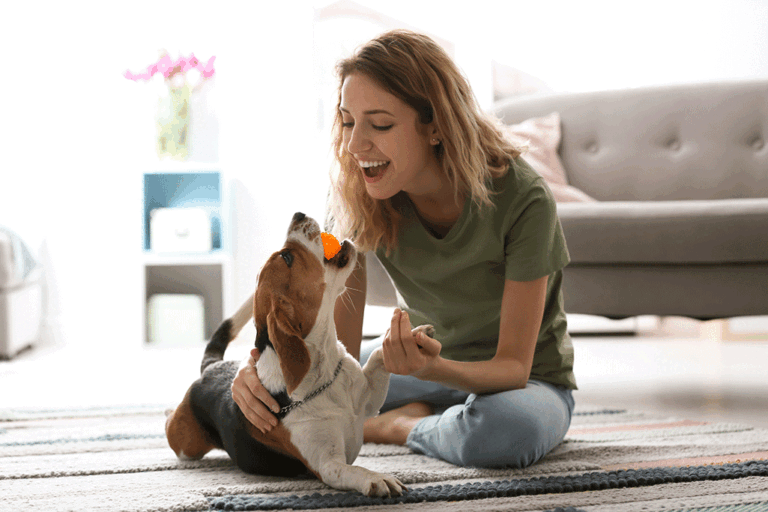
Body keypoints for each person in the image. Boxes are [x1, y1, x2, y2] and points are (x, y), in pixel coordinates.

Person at [232, 29, 576, 469]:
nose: (356, 146)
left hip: (524, 384)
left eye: (380, 124)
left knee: (507, 434)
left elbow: (513, 367)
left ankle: (400, 427)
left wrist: (431, 371)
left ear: (435, 126)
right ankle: (438, 415)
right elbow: (335, 350)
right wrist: (258, 373)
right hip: (410, 362)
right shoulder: (357, 196)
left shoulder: (522, 199)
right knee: (273, 400)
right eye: (349, 121)